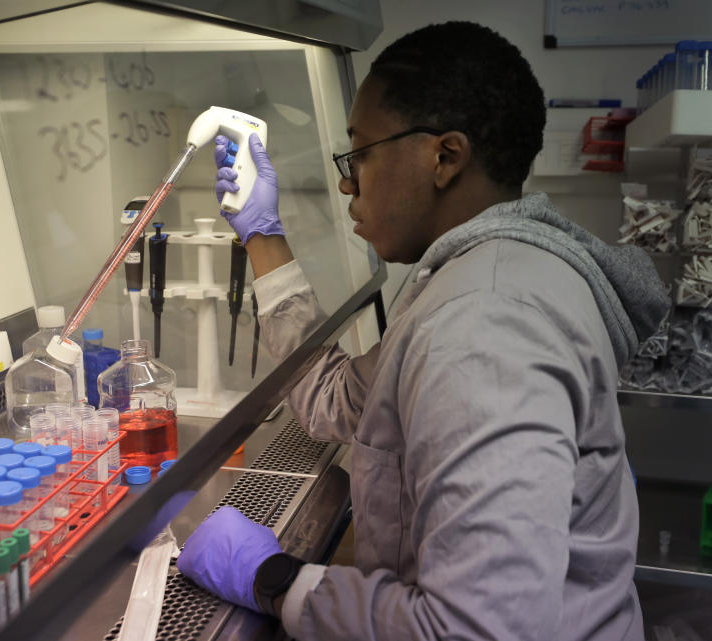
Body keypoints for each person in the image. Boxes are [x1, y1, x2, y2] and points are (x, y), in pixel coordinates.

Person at [177, 21, 668, 641]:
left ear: (443, 157)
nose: (346, 182)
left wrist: (275, 580)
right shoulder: (480, 276)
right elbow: (340, 401)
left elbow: (477, 632)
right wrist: (261, 235)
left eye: (359, 154)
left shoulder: (485, 325)